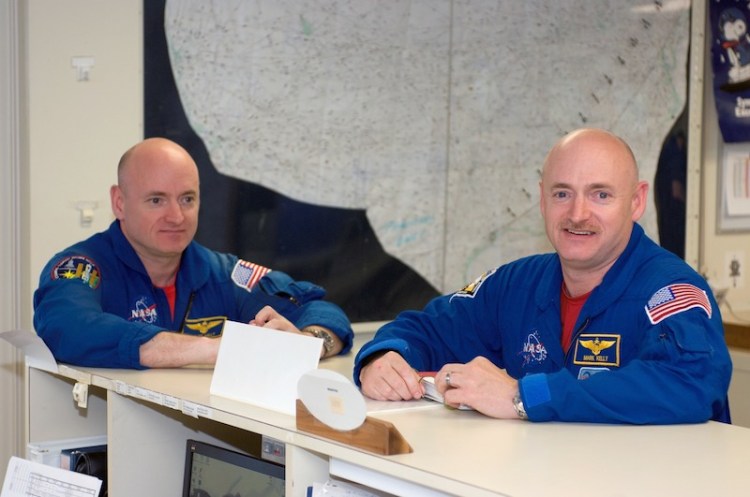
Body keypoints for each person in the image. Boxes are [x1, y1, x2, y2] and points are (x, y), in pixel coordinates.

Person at [354, 128, 732, 424]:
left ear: (636, 202)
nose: (578, 214)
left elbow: (690, 383)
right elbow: (426, 330)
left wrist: (523, 396)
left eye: (600, 195)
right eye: (562, 194)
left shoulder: (669, 290)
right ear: (542, 200)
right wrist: (383, 359)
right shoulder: (516, 285)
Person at [33, 138, 353, 369]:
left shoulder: (221, 273)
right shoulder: (82, 267)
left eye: (187, 199)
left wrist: (310, 343)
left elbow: (317, 309)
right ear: (119, 202)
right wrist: (213, 350)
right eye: (156, 200)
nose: (176, 216)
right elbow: (66, 326)